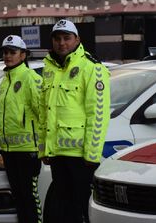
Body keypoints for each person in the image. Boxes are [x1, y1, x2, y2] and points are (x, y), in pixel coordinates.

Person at [38, 20, 110, 223]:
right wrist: (44, 148)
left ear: (77, 39)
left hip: (81, 157)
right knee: (64, 209)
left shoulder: (91, 68)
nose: (62, 43)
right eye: (57, 38)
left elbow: (97, 114)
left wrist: (92, 154)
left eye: (67, 38)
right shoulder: (50, 69)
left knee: (83, 210)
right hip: (57, 154)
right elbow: (46, 113)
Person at [0, 35, 42, 223]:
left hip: (28, 150)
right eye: (5, 52)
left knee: (30, 197)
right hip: (8, 150)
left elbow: (42, 114)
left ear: (23, 55)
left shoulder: (31, 78)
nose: (8, 56)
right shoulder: (6, 80)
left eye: (12, 52)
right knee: (18, 197)